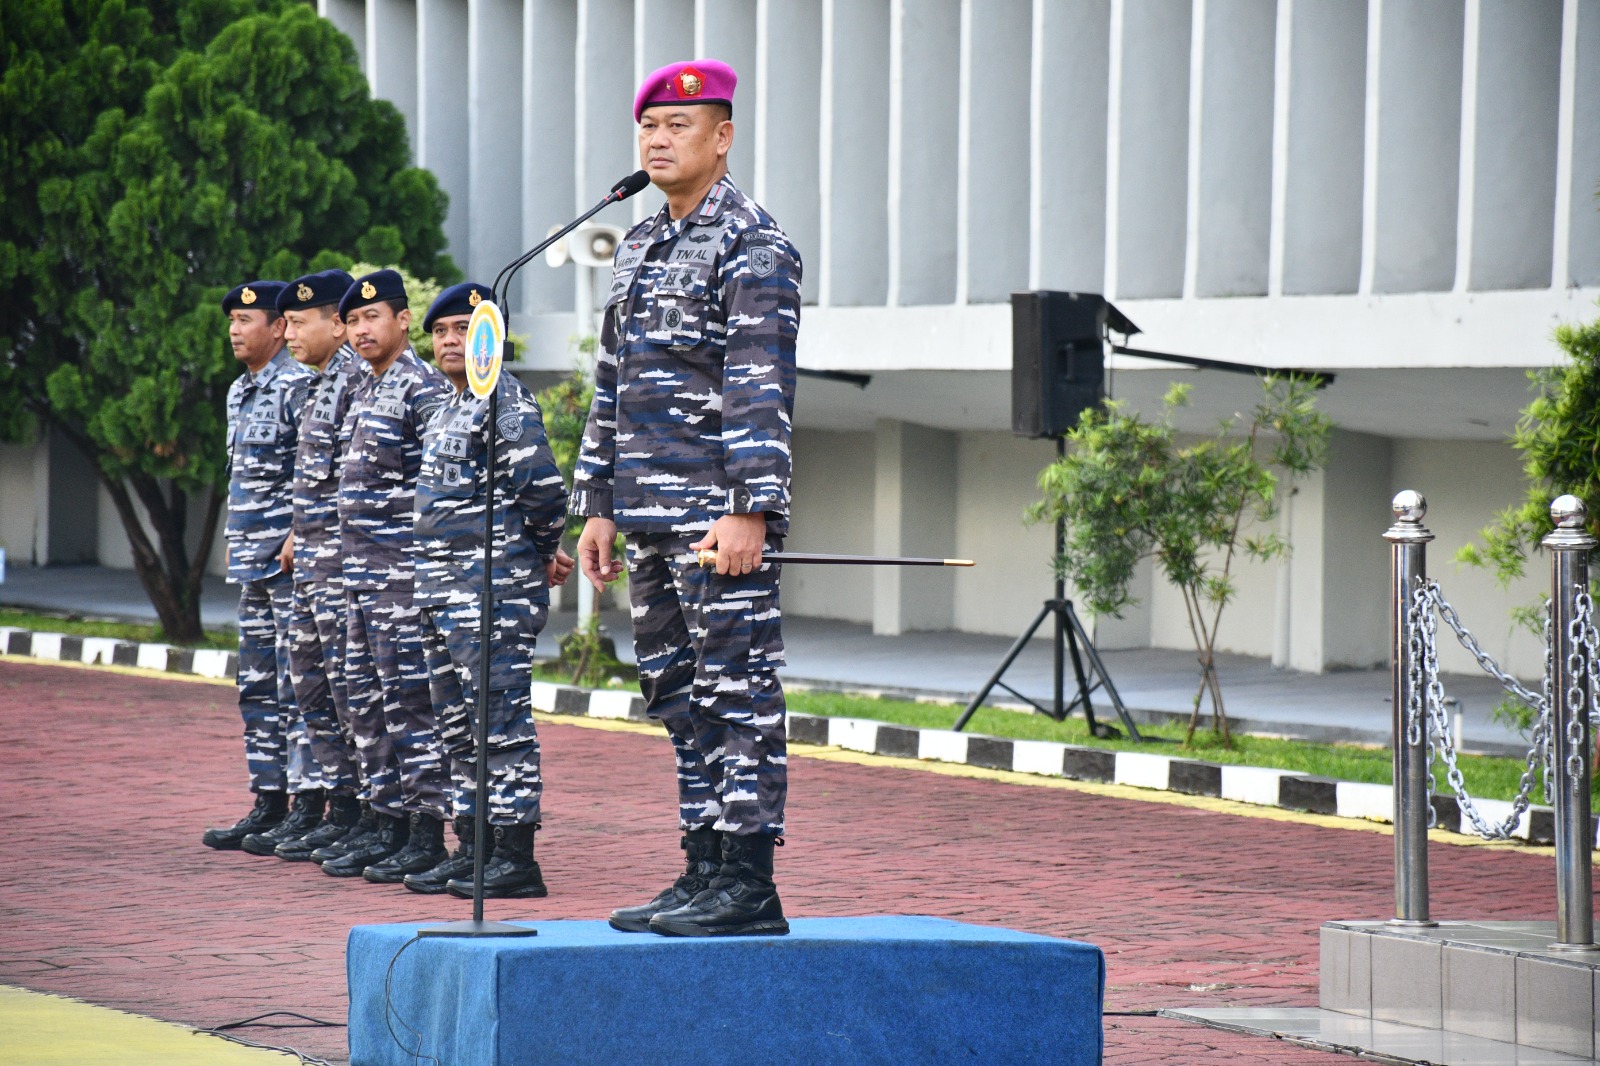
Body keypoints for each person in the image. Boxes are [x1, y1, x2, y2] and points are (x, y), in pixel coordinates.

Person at [572, 58, 801, 936]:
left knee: (736, 691)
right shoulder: (638, 243)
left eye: (679, 125)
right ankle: (703, 867)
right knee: (676, 691)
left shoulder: (753, 243)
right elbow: (611, 385)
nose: (659, 140)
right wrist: (597, 504)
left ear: (723, 137)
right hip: (644, 514)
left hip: (715, 516)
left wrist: (751, 507)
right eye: (649, 128)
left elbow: (758, 385)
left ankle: (749, 883)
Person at [401, 282, 574, 897]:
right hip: (440, 592)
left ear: (490, 338)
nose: (451, 341)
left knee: (498, 723)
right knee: (457, 726)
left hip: (490, 591)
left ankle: (514, 856)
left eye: (462, 329)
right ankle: (472, 847)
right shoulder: (450, 404)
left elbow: (545, 493)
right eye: (441, 332)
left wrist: (542, 548)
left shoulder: (503, 400)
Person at [319, 269, 454, 880]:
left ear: (403, 320)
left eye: (372, 317)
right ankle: (386, 823)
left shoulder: (421, 389)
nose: (360, 329)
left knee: (410, 705)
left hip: (402, 579)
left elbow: (442, 490)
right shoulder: (366, 390)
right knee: (365, 706)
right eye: (351, 320)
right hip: (359, 577)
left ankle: (426, 833)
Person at [248, 270, 369, 863]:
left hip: (351, 569)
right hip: (315, 568)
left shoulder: (356, 382)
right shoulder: (321, 383)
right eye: (286, 323)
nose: (288, 332)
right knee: (315, 692)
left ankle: (370, 818)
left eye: (299, 322)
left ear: (337, 322)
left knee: (360, 698)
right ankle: (339, 810)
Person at [202, 280, 317, 850]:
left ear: (278, 327)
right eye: (231, 321)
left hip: (291, 562)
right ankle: (268, 801)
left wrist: (299, 531)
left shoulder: (299, 387)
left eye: (246, 320)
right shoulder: (238, 391)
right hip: (251, 560)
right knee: (257, 686)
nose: (234, 329)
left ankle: (308, 804)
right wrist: (237, 536)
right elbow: (243, 476)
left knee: (298, 685)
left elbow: (312, 472)